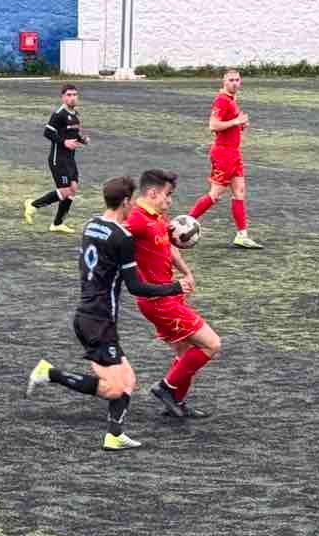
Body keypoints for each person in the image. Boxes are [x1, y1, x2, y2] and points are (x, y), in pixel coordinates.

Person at [25, 175, 191, 450]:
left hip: (91, 315)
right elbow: (137, 287)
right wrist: (175, 286)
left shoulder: (91, 224)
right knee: (114, 387)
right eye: (131, 200)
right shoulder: (122, 238)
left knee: (128, 380)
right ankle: (50, 373)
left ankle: (115, 435)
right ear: (125, 201)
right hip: (97, 320)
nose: (133, 204)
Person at [127, 169, 222, 419]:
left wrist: (187, 273)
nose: (169, 201)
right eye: (167, 195)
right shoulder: (136, 219)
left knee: (184, 351)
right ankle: (165, 387)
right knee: (211, 344)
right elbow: (112, 235)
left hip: (170, 295)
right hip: (158, 301)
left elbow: (169, 249)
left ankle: (176, 402)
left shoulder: (158, 216)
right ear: (152, 192)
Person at [185, 69, 261, 249]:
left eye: (237, 80)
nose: (235, 83)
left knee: (239, 192)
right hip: (223, 154)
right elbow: (213, 125)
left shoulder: (231, 100)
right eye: (231, 80)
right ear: (224, 82)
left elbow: (229, 125)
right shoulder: (221, 100)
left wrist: (240, 125)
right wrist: (235, 122)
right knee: (215, 195)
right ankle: (184, 224)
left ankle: (242, 236)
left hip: (234, 153)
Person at [23, 83, 87, 234]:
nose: (72, 98)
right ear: (63, 97)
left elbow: (73, 133)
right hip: (58, 159)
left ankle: (57, 224)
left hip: (70, 159)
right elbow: (47, 132)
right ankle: (33, 205)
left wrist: (82, 139)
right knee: (65, 191)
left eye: (74, 95)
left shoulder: (75, 115)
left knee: (73, 189)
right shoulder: (59, 114)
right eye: (69, 95)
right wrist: (64, 142)